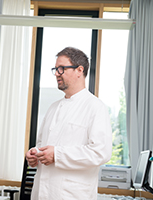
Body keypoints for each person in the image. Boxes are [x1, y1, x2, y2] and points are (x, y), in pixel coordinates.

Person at [25, 47, 112, 200]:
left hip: (72, 194)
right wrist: (35, 154)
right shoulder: (53, 107)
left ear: (79, 70)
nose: (57, 74)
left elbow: (101, 152)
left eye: (61, 69)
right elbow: (42, 144)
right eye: (55, 69)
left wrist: (57, 154)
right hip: (42, 193)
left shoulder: (95, 107)